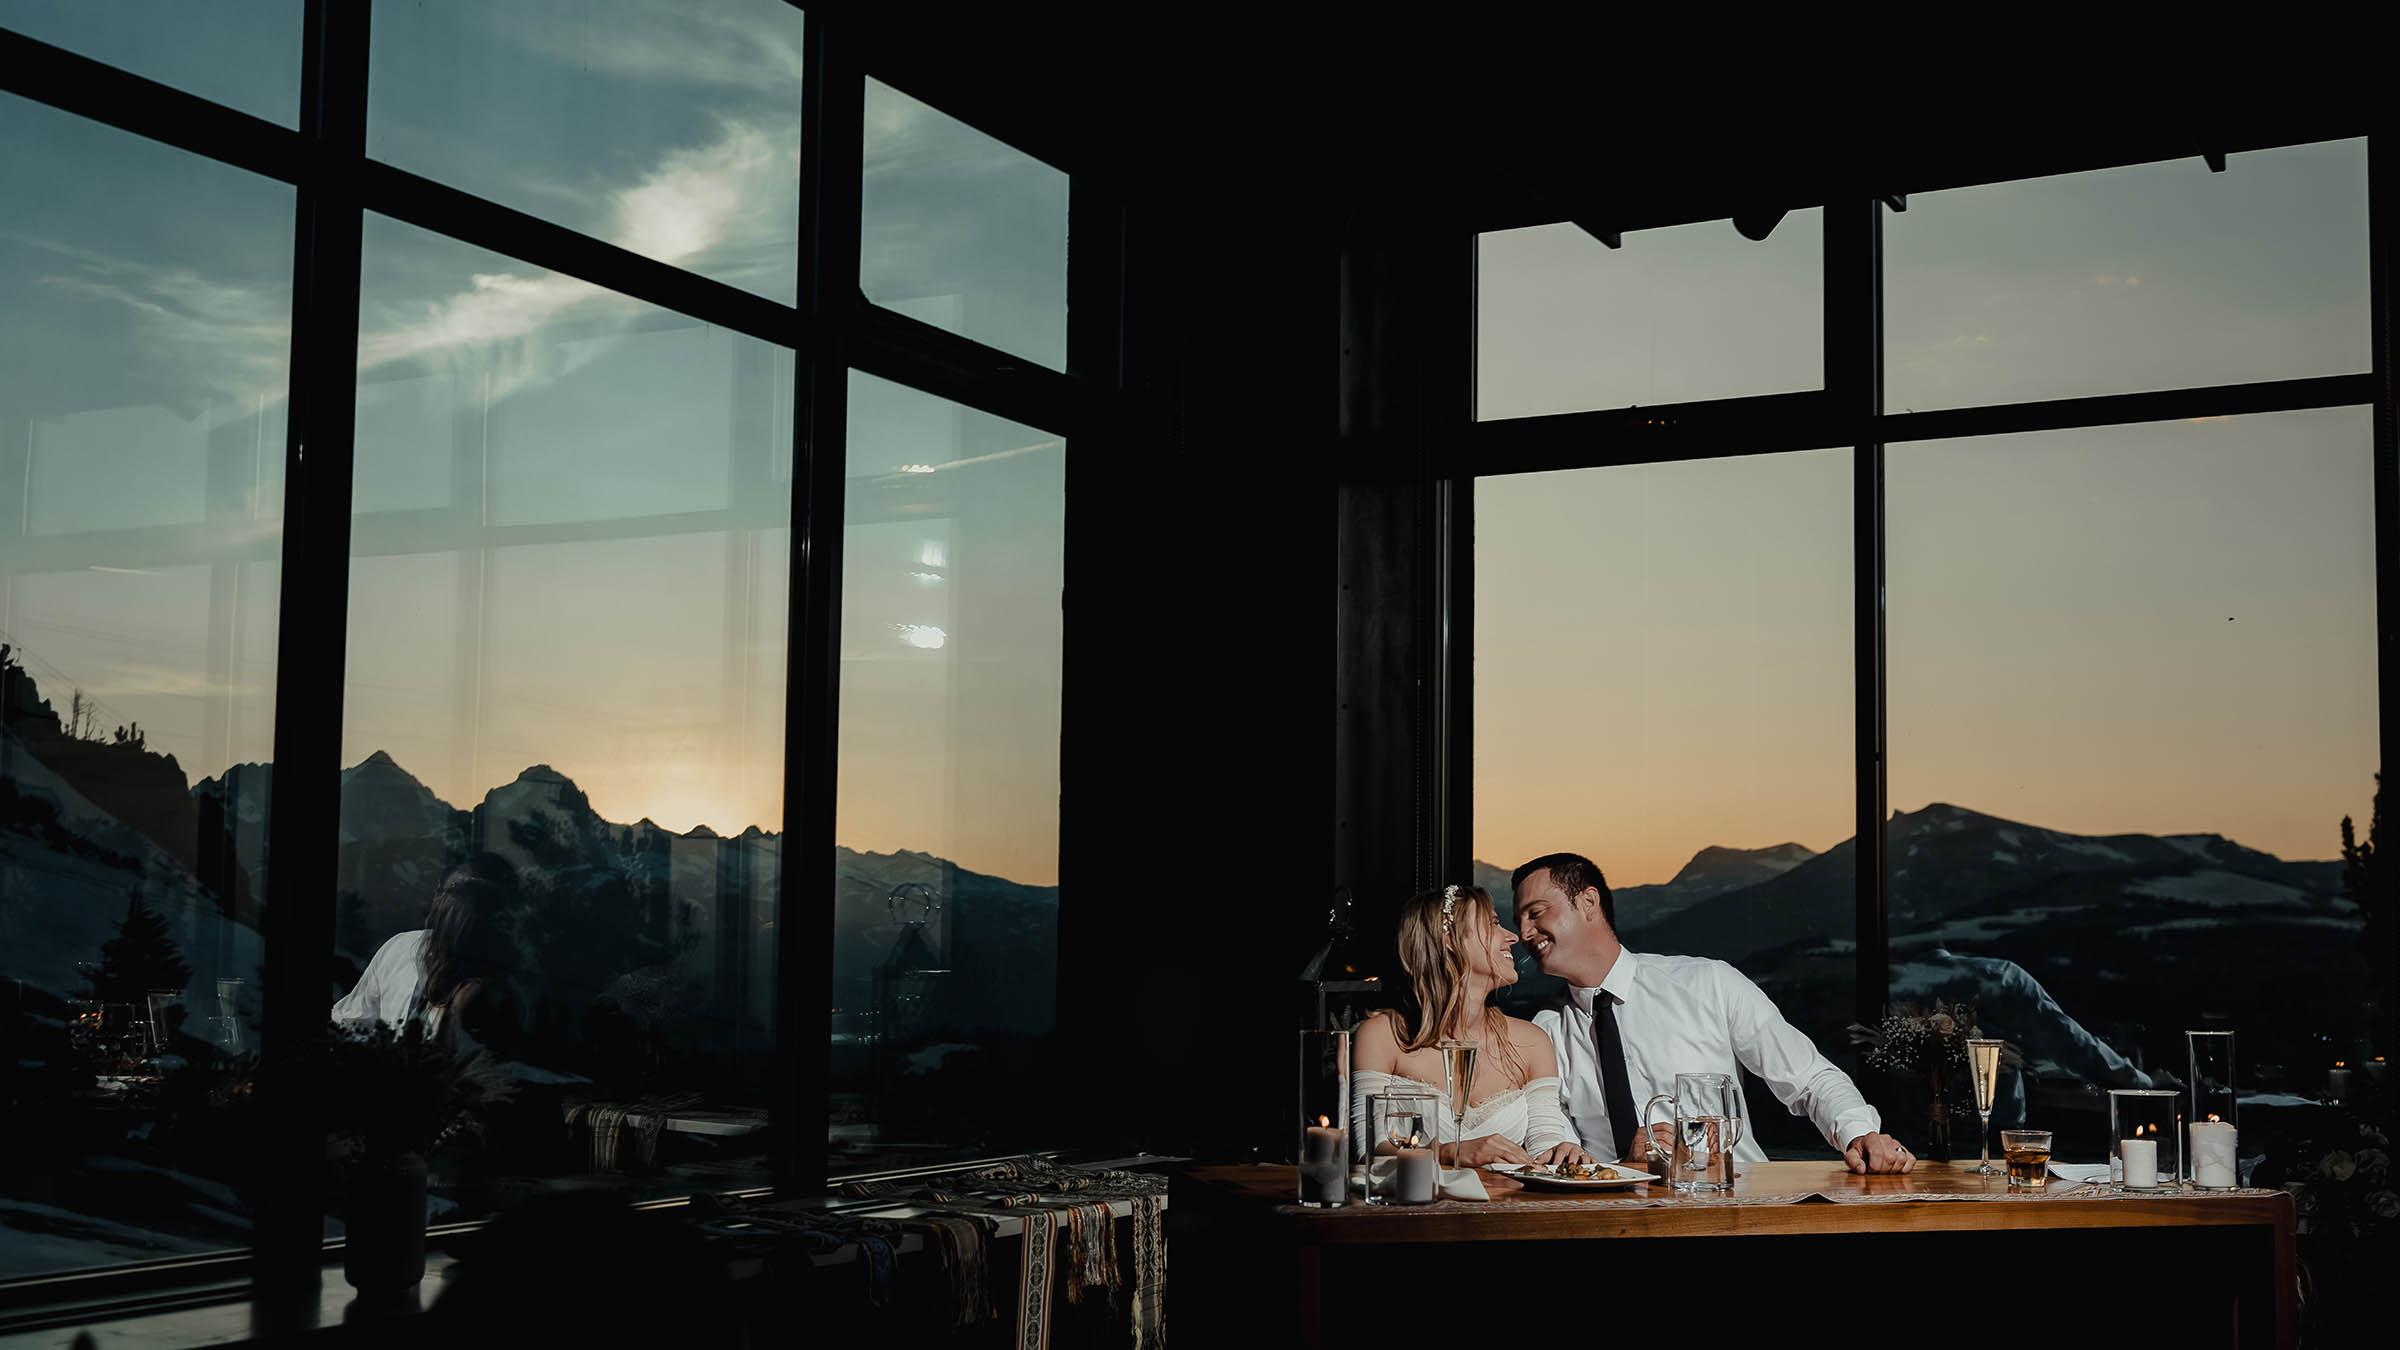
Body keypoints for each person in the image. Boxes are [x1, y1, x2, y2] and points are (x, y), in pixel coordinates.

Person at [1512, 852, 1915, 1174]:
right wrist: (1621, 1166)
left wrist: (1859, 1134)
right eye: (1519, 921)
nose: (1524, 934)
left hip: (1737, 1208)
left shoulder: (1708, 983)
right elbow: (1561, 1155)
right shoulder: (1544, 1034)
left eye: (1536, 913)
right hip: (1615, 1226)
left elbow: (1808, 1077)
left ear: (1587, 902)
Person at [1350, 884, 1594, 1171]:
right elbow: (1368, 1151)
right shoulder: (1383, 1036)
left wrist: (1561, 1151)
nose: (1512, 937)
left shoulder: (1532, 1042)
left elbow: (1544, 1143)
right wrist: (1449, 1153)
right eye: (1492, 924)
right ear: (1450, 940)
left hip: (1503, 1210)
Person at [332, 853, 524, 1050]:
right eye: (450, 892)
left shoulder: (496, 990)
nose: (447, 903)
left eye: (471, 899)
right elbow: (349, 1023)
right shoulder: (401, 948)